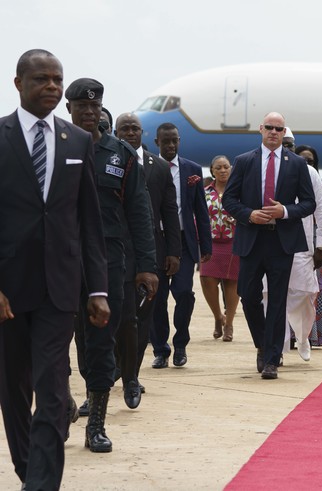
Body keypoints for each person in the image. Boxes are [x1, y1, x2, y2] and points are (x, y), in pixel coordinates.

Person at [0, 49, 109, 490]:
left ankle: (41, 484)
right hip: (7, 290)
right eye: (41, 79)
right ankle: (30, 471)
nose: (51, 86)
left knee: (52, 388)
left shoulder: (78, 142)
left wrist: (97, 288)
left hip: (60, 288)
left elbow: (89, 223)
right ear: (18, 84)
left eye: (56, 79)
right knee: (13, 390)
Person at [66, 78, 158, 453]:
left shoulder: (121, 154)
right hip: (61, 259)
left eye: (95, 106)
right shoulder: (56, 148)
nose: (89, 112)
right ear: (68, 109)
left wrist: (147, 265)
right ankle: (63, 400)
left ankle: (97, 426)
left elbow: (139, 211)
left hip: (109, 260)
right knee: (56, 339)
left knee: (101, 340)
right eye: (81, 106)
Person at [223, 112, 316, 379]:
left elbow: (308, 203)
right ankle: (262, 344)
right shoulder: (244, 161)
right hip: (252, 238)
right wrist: (249, 214)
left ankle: (272, 358)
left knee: (277, 300)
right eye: (270, 128)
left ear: (284, 132)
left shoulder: (297, 163)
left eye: (279, 129)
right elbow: (229, 199)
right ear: (261, 129)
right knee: (248, 295)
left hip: (281, 240)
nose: (274, 133)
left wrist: (284, 211)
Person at [113, 112, 181, 409]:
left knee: (140, 319)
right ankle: (111, 369)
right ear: (116, 132)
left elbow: (170, 212)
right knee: (114, 318)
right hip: (111, 250)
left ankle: (131, 375)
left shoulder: (159, 167)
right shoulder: (104, 158)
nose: (129, 132)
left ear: (143, 133)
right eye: (123, 128)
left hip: (149, 253)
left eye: (134, 128)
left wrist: (174, 253)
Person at [151, 122, 212, 369]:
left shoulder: (192, 170)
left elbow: (201, 210)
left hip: (185, 243)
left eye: (175, 140)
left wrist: (205, 245)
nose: (171, 145)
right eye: (166, 141)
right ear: (157, 142)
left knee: (184, 293)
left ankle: (180, 343)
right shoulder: (148, 167)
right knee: (157, 297)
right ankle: (160, 349)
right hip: (156, 242)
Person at [201, 155, 240, 342]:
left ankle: (229, 323)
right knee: (207, 279)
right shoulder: (205, 192)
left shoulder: (239, 191)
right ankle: (218, 316)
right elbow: (197, 216)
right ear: (212, 171)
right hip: (211, 242)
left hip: (234, 242)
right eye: (219, 168)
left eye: (226, 167)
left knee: (232, 283)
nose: (223, 170)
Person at [295, 144, 322, 347]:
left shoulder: (321, 184)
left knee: (313, 292)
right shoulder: (288, 179)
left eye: (310, 161)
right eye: (303, 160)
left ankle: (311, 337)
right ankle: (291, 337)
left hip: (315, 244)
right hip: (293, 244)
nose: (307, 164)